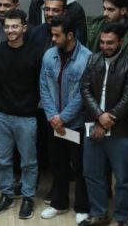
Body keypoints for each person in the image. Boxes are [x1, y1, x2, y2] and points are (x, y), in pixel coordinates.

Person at [79, 22, 128, 226]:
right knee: (92, 173)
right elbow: (85, 89)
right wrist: (99, 116)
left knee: (124, 179)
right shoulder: (93, 59)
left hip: (121, 131)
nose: (105, 46)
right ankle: (99, 213)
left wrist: (105, 121)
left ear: (121, 41)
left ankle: (122, 217)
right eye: (103, 42)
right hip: (94, 126)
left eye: (110, 43)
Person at [0, 9, 42, 219]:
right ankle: (7, 194)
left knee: (28, 162)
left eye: (15, 26)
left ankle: (27, 197)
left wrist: (30, 103)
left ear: (24, 28)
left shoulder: (35, 53)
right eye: (7, 26)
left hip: (26, 117)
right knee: (2, 161)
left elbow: (40, 84)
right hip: (0, 115)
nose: (10, 30)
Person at [39, 15, 92, 222]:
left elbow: (83, 94)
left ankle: (82, 207)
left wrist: (63, 117)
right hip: (54, 122)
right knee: (57, 163)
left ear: (70, 35)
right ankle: (59, 203)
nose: (53, 39)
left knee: (79, 167)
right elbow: (44, 86)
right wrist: (53, 117)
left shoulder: (86, 58)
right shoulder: (49, 55)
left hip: (76, 124)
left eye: (57, 35)